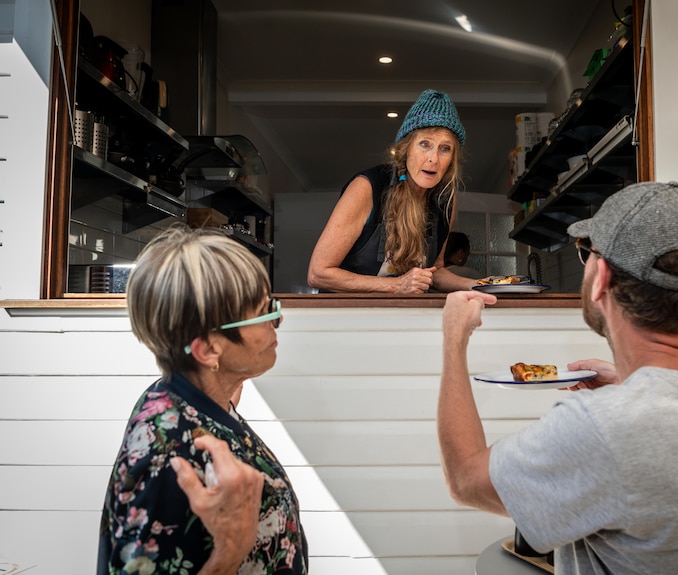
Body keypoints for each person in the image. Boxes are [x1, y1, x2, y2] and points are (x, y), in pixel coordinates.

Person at [437, 182, 678, 574]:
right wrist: (631, 386)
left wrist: (454, 340)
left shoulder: (605, 427)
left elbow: (465, 480)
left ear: (601, 277)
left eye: (586, 253)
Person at [97, 225, 308, 575]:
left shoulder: (191, 396)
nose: (278, 318)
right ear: (208, 348)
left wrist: (229, 377)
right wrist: (231, 549)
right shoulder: (166, 460)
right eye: (262, 310)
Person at [307, 89, 480, 294]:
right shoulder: (367, 187)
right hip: (348, 317)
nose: (433, 158)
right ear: (406, 148)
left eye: (445, 148)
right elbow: (318, 273)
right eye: (425, 144)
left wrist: (485, 284)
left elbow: (436, 272)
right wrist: (397, 285)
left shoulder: (445, 201)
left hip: (400, 318)